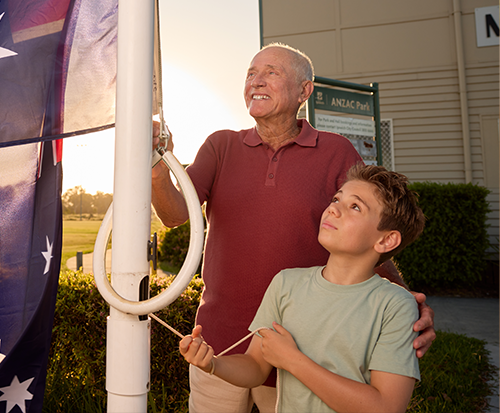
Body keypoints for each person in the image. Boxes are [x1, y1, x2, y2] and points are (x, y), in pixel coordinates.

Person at [151, 42, 435, 413]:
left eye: (272, 71)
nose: (256, 79)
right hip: (218, 341)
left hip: (303, 348)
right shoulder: (220, 146)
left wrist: (405, 305)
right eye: (251, 72)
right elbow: (174, 215)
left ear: (305, 91)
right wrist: (156, 163)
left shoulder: (337, 152)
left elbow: (366, 230)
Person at [179, 164, 426, 413]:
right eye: (336, 198)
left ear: (386, 240)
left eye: (355, 206)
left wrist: (293, 361)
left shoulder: (395, 306)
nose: (333, 209)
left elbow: (386, 407)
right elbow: (255, 366)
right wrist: (212, 364)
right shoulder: (286, 284)